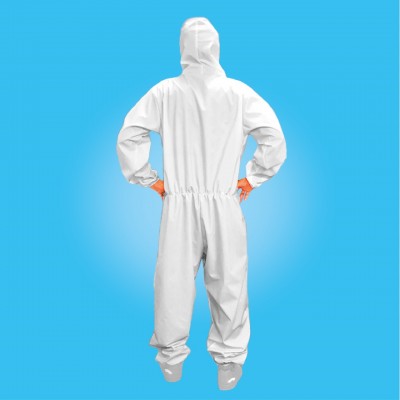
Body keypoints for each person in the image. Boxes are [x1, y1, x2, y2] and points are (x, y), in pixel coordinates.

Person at [116, 16, 287, 391]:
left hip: (179, 204)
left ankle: (171, 360)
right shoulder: (239, 93)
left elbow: (130, 134)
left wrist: (150, 179)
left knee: (173, 283)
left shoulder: (164, 92)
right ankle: (229, 362)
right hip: (224, 201)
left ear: (182, 48)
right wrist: (253, 177)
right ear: (216, 47)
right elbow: (273, 137)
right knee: (229, 283)